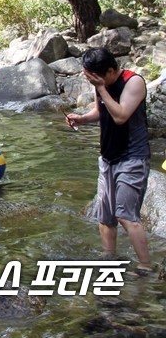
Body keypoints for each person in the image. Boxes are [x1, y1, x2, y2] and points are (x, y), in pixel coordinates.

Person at [66, 47, 152, 271]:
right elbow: (100, 111)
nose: (93, 82)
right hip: (107, 157)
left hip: (133, 157)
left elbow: (121, 115)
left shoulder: (133, 82)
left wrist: (102, 89)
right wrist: (82, 119)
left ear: (112, 70)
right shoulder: (100, 84)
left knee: (126, 216)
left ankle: (145, 266)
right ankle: (109, 258)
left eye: (96, 77)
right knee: (105, 217)